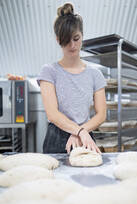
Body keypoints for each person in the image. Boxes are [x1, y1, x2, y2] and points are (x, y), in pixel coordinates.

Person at [37, 2, 106, 154]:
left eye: (76, 38)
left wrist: (81, 131)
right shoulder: (49, 71)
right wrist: (78, 131)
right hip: (57, 138)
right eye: (66, 40)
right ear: (57, 40)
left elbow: (101, 114)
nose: (72, 45)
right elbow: (52, 114)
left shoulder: (95, 74)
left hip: (86, 136)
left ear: (82, 36)